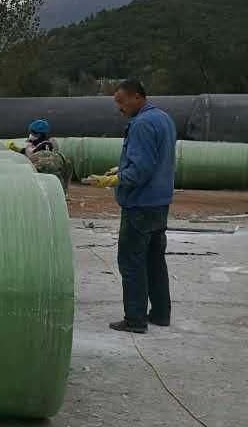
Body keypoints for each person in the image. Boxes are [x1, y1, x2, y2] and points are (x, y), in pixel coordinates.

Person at [89, 78, 176, 333]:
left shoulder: (141, 123)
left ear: (137, 97)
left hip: (140, 205)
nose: (119, 107)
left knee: (131, 262)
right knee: (154, 261)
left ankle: (135, 319)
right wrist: (122, 167)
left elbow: (141, 169)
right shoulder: (163, 119)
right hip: (159, 203)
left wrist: (114, 179)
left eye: (121, 101)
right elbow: (157, 158)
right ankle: (160, 314)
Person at [20, 118, 73, 193]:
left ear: (39, 134)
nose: (31, 135)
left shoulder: (46, 145)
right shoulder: (38, 144)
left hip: (48, 173)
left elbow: (40, 157)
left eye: (33, 133)